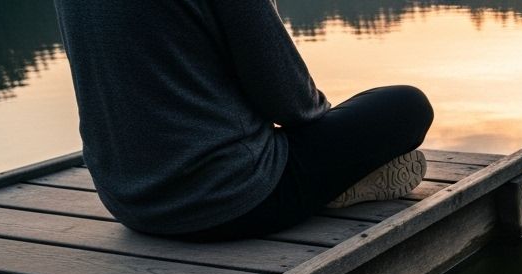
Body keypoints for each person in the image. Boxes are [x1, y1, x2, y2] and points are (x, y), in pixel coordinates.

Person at [53, 0, 434, 241]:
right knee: (407, 105)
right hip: (231, 199)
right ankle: (337, 184)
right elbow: (293, 104)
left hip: (130, 201)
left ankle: (333, 181)